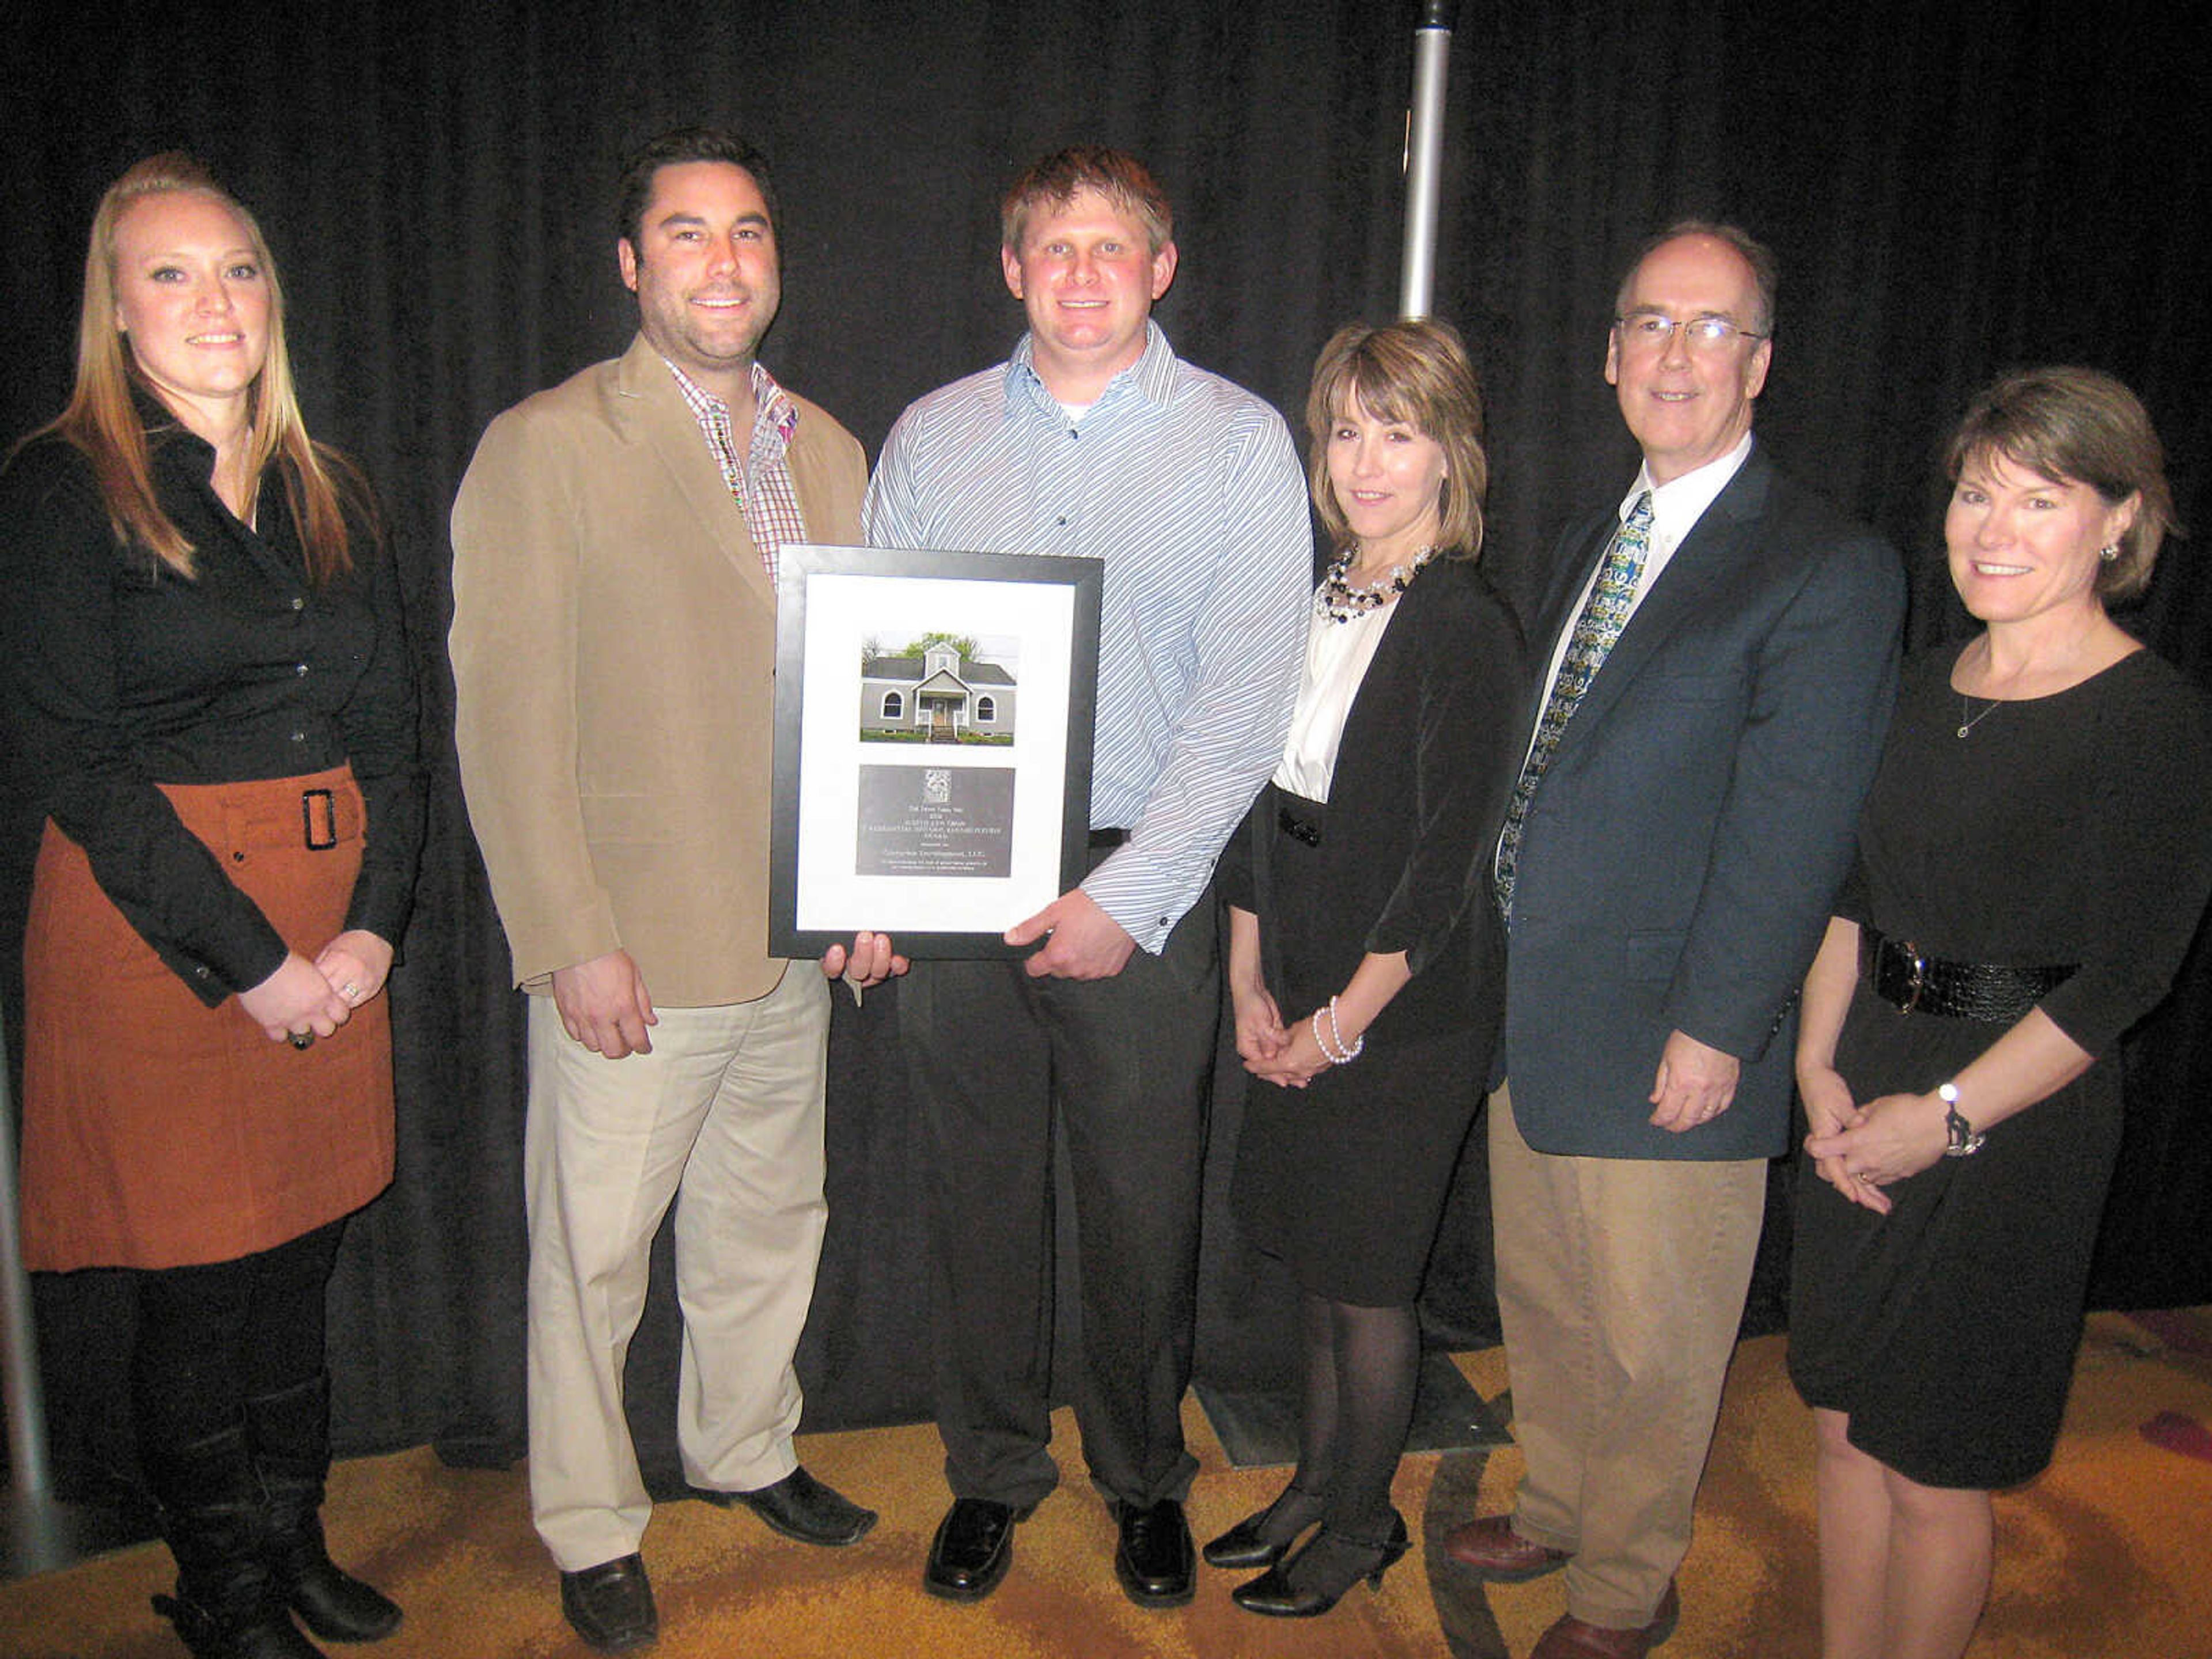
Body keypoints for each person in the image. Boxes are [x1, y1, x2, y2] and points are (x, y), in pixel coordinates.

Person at [448, 127, 900, 1654]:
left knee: (772, 1219)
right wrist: (570, 939)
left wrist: (869, 883)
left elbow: (868, 703)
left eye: (749, 233)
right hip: (634, 944)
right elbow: (505, 718)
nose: (724, 262)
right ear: (633, 265)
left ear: (777, 261)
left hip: (793, 941)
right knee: (594, 1255)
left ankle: (743, 1449)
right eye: (688, 235)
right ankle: (588, 1522)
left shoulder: (831, 451)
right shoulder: (547, 445)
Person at [1440, 222, 1904, 1659]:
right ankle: (1564, 1502)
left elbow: (1798, 832)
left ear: (1760, 364)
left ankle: (1623, 1589)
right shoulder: (1595, 534)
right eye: (1651, 324)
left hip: (1675, 1038)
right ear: (1608, 354)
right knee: (1554, 1306)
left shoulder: (1827, 567)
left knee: (1656, 1343)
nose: (1676, 355)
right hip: (1543, 1008)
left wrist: (1719, 1027)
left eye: (1712, 330)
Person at [865, 145, 1309, 1608]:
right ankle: (991, 1475)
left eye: (1111, 248)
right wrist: (873, 876)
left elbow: (1247, 697)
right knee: (977, 1200)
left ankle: (1141, 1482)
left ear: (1160, 269)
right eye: (1053, 248)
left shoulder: (1241, 444)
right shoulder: (929, 439)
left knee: (1141, 1212)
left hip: (1147, 881)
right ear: (1012, 269)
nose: (1081, 275)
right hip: (957, 879)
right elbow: (884, 679)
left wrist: (1130, 897)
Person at [0, 154, 422, 1659]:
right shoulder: (65, 486)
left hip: (330, 917)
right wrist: (251, 966)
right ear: (114, 310)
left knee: (299, 1257)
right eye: (171, 273)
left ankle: (293, 1541)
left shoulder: (329, 485)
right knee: (198, 1286)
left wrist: (372, 924)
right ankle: (224, 1595)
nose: (213, 302)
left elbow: (397, 735)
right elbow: (74, 763)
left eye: (238, 268)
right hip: (159, 931)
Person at [1787, 368, 2212, 1659]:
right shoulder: (1923, 682)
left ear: (2120, 524)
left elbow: (2131, 972)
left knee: (1932, 1463)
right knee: (1841, 1426)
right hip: (1865, 1075)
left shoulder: (2153, 720)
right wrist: (1814, 1067)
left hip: (2014, 1116)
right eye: (1978, 495)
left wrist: (1952, 1118)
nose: (1992, 529)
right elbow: (1850, 896)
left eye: (2040, 500)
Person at [1206, 319, 1526, 1618]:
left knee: (1371, 1279)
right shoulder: (1313, 589)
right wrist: (1246, 976)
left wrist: (1340, 1023)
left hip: (1405, 1007)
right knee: (1313, 1256)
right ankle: (1317, 1485)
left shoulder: (1464, 624)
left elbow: (1447, 864)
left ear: (1452, 452)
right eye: (1346, 428)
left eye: (1400, 429)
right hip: (1294, 961)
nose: (1368, 459)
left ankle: (1361, 1527)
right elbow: (1254, 798)